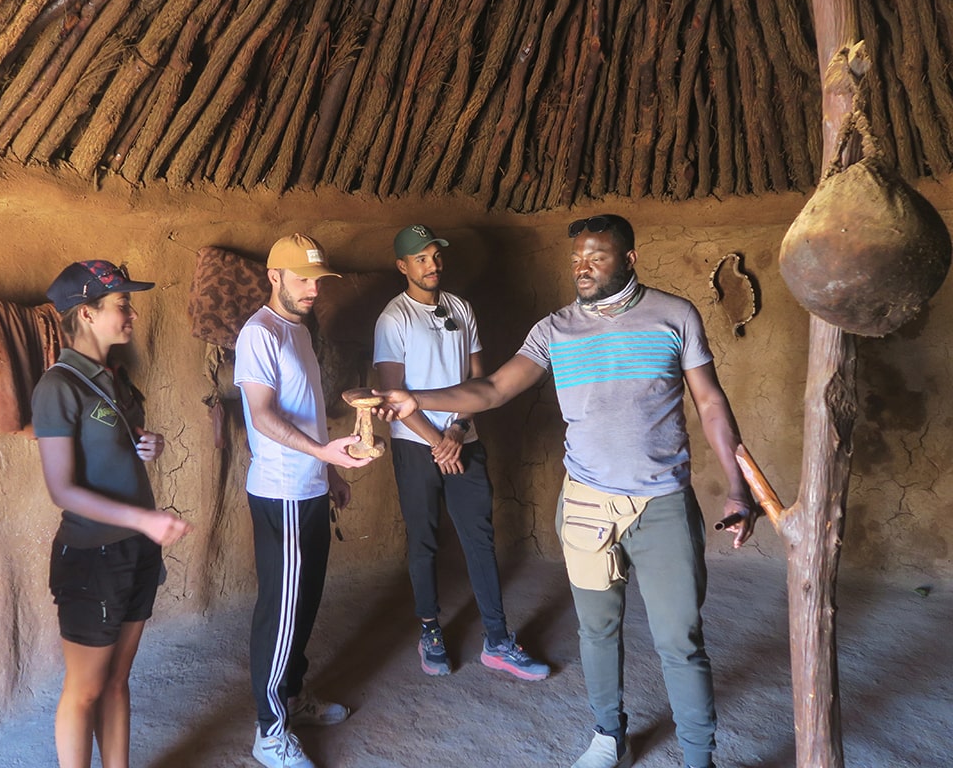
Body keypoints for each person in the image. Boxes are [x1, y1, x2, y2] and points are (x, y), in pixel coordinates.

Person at [376, 215, 756, 768]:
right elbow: (492, 387)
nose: (582, 266)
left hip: (662, 503)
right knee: (597, 631)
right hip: (585, 504)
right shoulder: (554, 329)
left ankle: (700, 757)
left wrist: (737, 486)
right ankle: (609, 737)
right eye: (577, 257)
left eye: (596, 256)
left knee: (680, 639)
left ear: (628, 260)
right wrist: (416, 399)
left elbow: (712, 404)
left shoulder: (675, 316)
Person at [372, 224, 550, 681]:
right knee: (425, 540)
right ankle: (430, 629)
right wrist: (437, 443)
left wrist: (457, 429)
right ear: (402, 267)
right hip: (417, 446)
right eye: (421, 259)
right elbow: (393, 394)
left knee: (480, 538)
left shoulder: (461, 309)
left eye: (434, 255)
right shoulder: (394, 319)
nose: (431, 265)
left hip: (462, 439)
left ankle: (498, 638)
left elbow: (479, 381)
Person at [32, 260, 191, 768]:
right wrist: (144, 520)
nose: (133, 313)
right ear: (86, 313)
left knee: (118, 681)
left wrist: (149, 444)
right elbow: (62, 488)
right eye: (122, 304)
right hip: (92, 553)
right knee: (84, 690)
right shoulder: (59, 387)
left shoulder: (114, 380)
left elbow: (119, 446)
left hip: (134, 548)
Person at [234, 234, 374, 768]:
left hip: (310, 485)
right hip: (283, 492)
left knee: (305, 602)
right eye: (302, 279)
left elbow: (305, 409)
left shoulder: (299, 331)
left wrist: (329, 468)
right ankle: (270, 731)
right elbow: (264, 415)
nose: (314, 289)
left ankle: (292, 698)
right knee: (282, 611)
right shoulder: (260, 334)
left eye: (318, 280)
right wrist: (320, 452)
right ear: (275, 277)